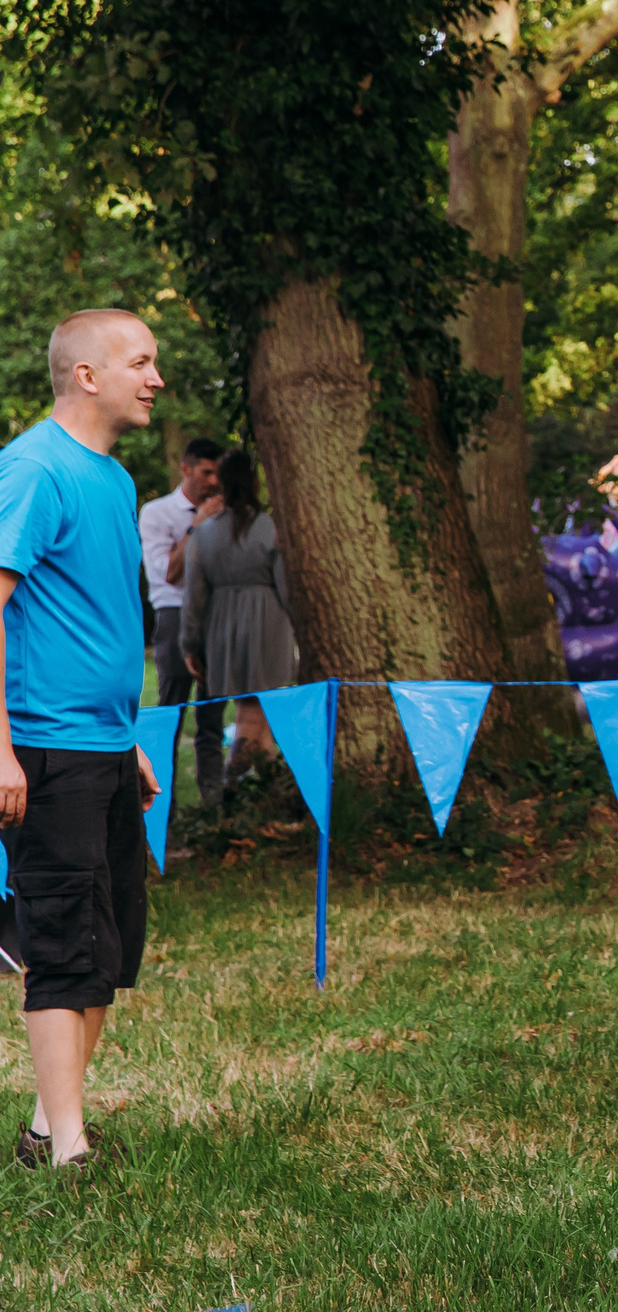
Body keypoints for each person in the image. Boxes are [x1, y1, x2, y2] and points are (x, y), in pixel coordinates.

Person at [0, 309, 166, 1172]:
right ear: (88, 375)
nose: (156, 377)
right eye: (140, 361)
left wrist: (128, 735)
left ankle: (41, 1127)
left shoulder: (114, 478)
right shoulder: (32, 467)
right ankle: (69, 1149)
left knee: (109, 946)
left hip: (104, 743)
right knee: (62, 945)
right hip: (42, 748)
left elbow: (98, 619)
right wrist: (0, 746)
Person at [180, 449, 297, 780]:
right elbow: (285, 587)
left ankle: (268, 794)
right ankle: (232, 786)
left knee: (253, 710)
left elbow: (193, 597)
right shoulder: (269, 527)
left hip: (223, 626)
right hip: (268, 623)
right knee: (253, 709)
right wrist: (301, 629)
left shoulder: (204, 534)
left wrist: (191, 644)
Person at [138, 437, 228, 807]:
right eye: (206, 472)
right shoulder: (157, 513)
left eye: (218, 474)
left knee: (212, 720)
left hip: (215, 618)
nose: (213, 481)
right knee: (170, 717)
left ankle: (212, 810)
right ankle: (163, 811)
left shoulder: (226, 512)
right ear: (186, 469)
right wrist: (198, 527)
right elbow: (168, 574)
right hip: (174, 616)